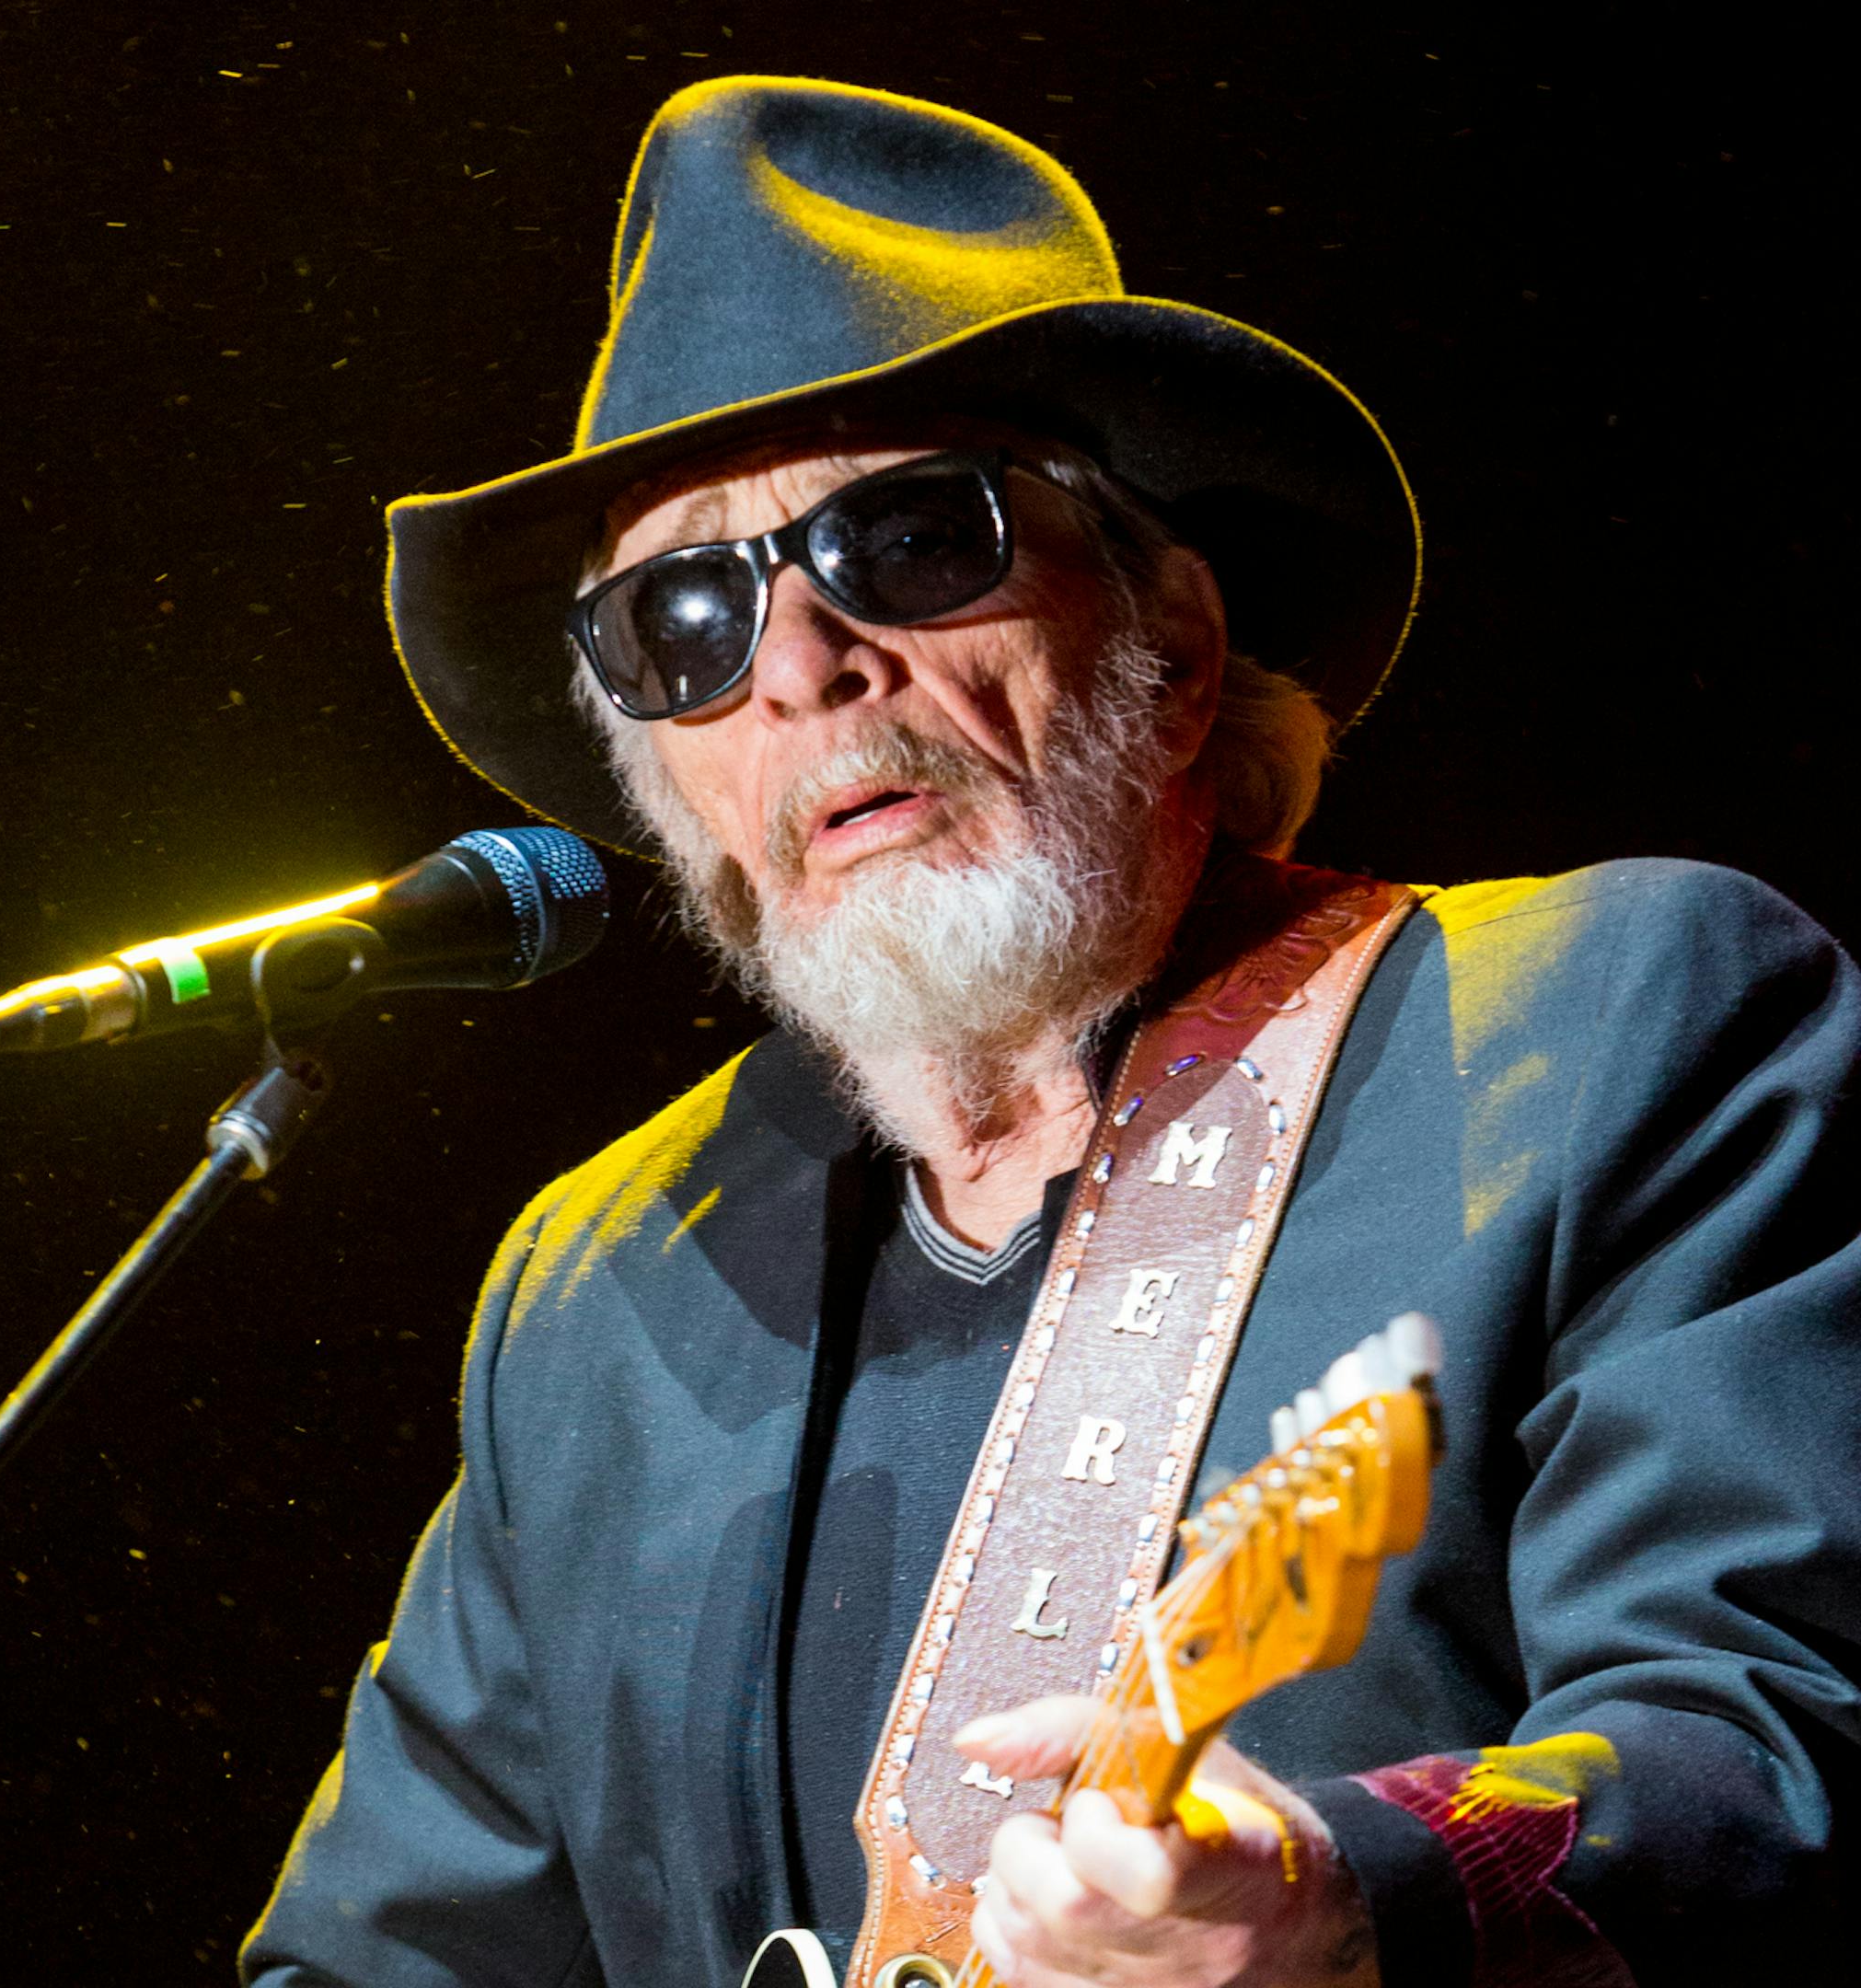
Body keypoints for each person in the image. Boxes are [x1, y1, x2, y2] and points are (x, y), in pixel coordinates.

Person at [241, 76, 1861, 1988]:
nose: (799, 665)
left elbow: (1766, 1748)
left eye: (912, 541)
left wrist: (1351, 1894)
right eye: (680, 618)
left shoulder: (1610, 1022)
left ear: (1174, 639)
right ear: (657, 780)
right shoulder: (594, 1291)